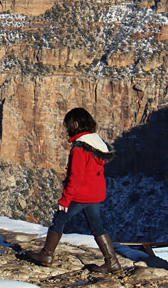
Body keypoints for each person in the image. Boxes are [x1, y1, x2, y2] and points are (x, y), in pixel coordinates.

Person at [28, 107, 121, 273]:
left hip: (81, 195)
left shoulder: (80, 148)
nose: (66, 129)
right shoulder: (97, 143)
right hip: (96, 193)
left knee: (60, 220)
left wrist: (65, 199)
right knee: (96, 226)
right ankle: (111, 261)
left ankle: (47, 254)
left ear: (76, 124)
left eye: (68, 125)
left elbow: (75, 177)